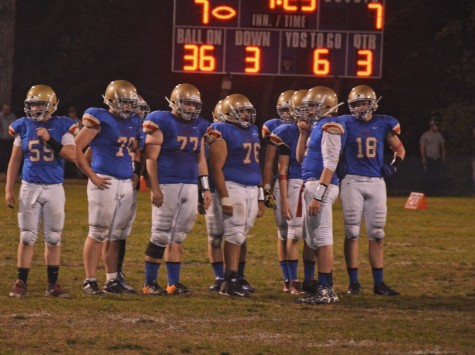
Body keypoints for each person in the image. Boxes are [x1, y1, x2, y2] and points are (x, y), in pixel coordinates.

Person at [5, 85, 78, 297]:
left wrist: (49, 139)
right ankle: (21, 281)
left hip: (54, 187)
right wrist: (9, 189)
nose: (35, 108)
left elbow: (72, 155)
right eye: (32, 104)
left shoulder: (63, 125)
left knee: (53, 237)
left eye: (39, 104)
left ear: (51, 106)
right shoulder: (23, 126)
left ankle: (53, 284)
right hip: (29, 187)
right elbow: (14, 161)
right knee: (27, 236)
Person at [142, 83, 211, 295]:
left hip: (190, 184)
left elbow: (201, 160)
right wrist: (155, 188)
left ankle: (173, 283)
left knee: (179, 235)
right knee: (161, 234)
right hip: (167, 183)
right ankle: (149, 283)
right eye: (186, 104)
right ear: (174, 102)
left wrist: (205, 189)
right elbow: (150, 159)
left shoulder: (199, 125)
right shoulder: (162, 120)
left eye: (193, 105)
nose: (190, 109)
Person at [75, 79, 143, 295]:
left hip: (124, 183)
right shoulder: (100, 117)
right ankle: (89, 280)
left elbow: (130, 148)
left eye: (130, 103)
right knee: (98, 232)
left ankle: (112, 280)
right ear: (111, 101)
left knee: (116, 235)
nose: (128, 107)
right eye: (123, 103)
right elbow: (76, 147)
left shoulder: (132, 122)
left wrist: (133, 172)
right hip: (104, 181)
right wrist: (91, 175)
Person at [339, 85, 406, 296]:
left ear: (373, 103)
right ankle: (354, 282)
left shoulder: (384, 123)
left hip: (376, 181)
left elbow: (400, 149)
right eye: (357, 103)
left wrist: (393, 166)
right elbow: (331, 145)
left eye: (365, 102)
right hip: (352, 181)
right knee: (352, 232)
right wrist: (339, 163)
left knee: (377, 233)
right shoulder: (346, 123)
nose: (361, 107)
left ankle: (379, 283)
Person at [207, 93, 266, 297]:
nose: (246, 115)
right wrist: (224, 196)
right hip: (233, 185)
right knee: (233, 232)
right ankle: (229, 280)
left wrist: (260, 196)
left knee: (242, 232)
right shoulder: (221, 130)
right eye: (241, 111)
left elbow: (256, 164)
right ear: (228, 113)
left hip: (251, 186)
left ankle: (234, 277)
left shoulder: (253, 130)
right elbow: (216, 168)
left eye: (249, 111)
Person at [294, 86, 344, 304]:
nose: (310, 110)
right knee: (315, 239)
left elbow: (331, 164)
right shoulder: (318, 126)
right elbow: (300, 159)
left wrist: (319, 196)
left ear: (325, 106)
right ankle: (323, 287)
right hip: (313, 184)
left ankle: (326, 289)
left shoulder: (330, 127)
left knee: (323, 239)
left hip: (321, 186)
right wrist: (303, 133)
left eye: (313, 106)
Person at [268, 89, 308, 295]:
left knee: (300, 235)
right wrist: (282, 198)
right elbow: (280, 168)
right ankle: (292, 281)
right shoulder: (285, 131)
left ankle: (296, 279)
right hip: (292, 183)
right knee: (289, 234)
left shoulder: (322, 128)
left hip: (307, 183)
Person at [419, 119, 446, 195]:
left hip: (437, 158)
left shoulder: (439, 135)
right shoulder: (425, 135)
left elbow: (443, 147)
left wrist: (443, 156)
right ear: (431, 126)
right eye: (435, 125)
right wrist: (423, 158)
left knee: (436, 175)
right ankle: (428, 191)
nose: (437, 127)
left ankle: (435, 191)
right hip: (429, 158)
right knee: (429, 174)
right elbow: (422, 147)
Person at [0, 103, 17, 178]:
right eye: (5, 109)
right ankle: (2, 172)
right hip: (2, 139)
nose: (6, 110)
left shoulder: (12, 116)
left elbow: (15, 127)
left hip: (11, 139)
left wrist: (14, 136)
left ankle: (10, 173)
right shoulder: (0, 117)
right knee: (2, 156)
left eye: (7, 109)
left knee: (11, 156)